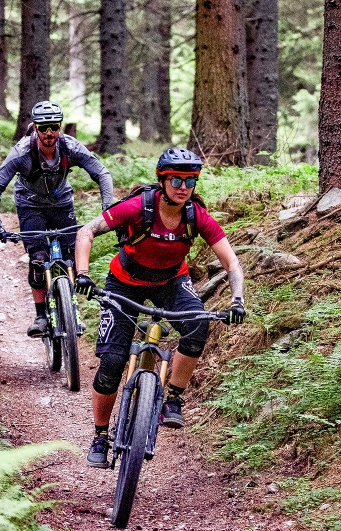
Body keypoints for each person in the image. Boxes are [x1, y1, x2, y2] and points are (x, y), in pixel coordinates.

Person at [72, 147, 246, 468]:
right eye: (176, 180)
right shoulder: (137, 208)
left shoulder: (195, 216)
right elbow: (87, 231)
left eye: (190, 181)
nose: (183, 187)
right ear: (162, 180)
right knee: (112, 362)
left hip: (171, 281)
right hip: (124, 282)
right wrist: (82, 274)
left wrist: (238, 299)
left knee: (197, 325)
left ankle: (173, 398)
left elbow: (231, 262)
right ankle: (100, 436)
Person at [0, 101, 114, 337]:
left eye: (53, 127)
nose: (49, 133)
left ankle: (71, 309)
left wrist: (108, 207)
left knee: (73, 256)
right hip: (30, 205)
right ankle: (41, 317)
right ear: (35, 127)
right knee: (38, 260)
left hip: (62, 203)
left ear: (60, 127)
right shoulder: (22, 152)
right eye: (43, 128)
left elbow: (102, 173)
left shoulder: (70, 147)